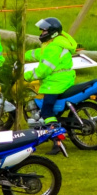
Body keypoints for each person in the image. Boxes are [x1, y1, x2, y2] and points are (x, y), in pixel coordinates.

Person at [23, 18, 77, 153]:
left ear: (52, 32)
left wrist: (25, 76)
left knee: (47, 111)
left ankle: (57, 143)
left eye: (44, 30)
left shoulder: (53, 46)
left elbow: (43, 70)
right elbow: (41, 54)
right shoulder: (54, 43)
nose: (41, 33)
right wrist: (23, 54)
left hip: (55, 82)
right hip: (64, 79)